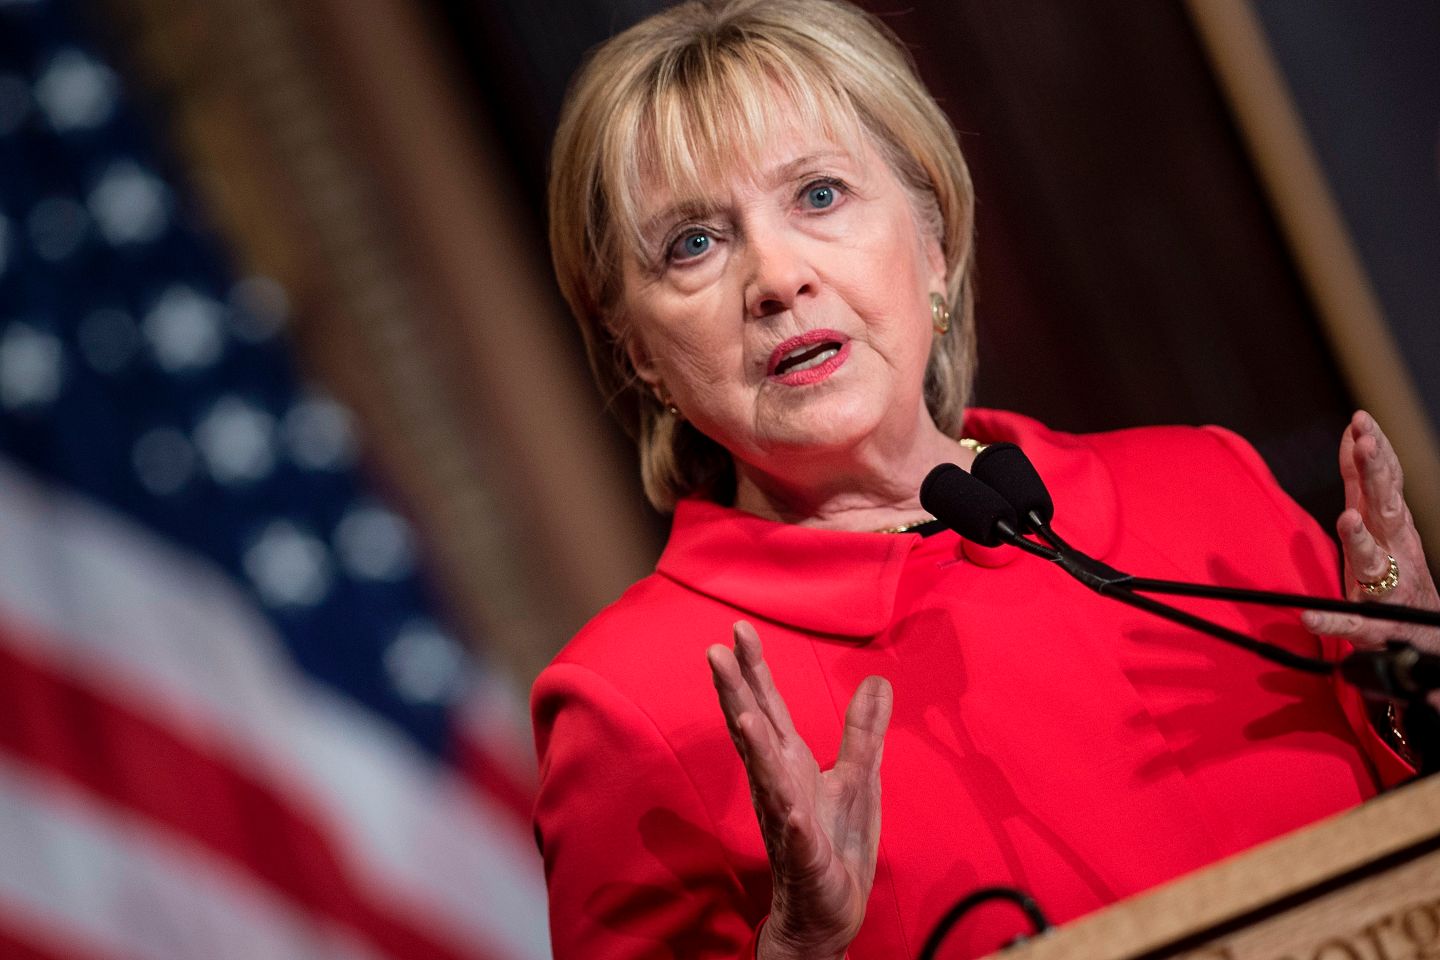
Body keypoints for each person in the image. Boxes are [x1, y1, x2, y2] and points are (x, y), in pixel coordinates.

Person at [532, 1, 1440, 957]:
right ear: (637, 350)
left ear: (937, 241)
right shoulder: (631, 704)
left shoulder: (1205, 491)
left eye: (820, 195)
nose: (776, 277)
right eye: (693, 244)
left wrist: (1416, 698)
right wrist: (797, 951)